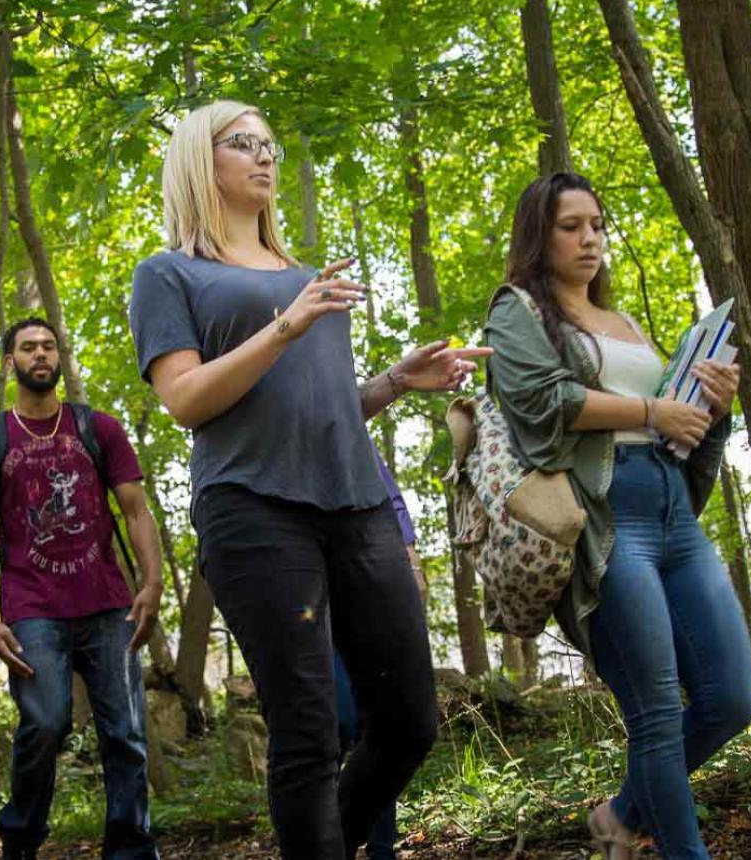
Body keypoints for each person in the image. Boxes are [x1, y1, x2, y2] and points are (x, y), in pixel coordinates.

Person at [128, 99, 490, 858]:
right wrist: (284, 325)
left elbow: (318, 404)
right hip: (253, 510)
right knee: (309, 730)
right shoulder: (170, 274)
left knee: (408, 720)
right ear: (201, 159)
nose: (264, 156)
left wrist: (393, 381)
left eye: (269, 144)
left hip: (357, 505)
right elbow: (186, 399)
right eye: (242, 144)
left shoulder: (303, 273)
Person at [484, 172, 751, 859]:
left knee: (730, 698)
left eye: (597, 225)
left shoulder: (626, 322)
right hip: (606, 518)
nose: (589, 239)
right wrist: (647, 409)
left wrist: (712, 410)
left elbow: (678, 428)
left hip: (673, 512)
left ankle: (622, 815)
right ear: (538, 235)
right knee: (657, 713)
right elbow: (543, 402)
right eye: (570, 226)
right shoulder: (517, 309)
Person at [0, 317, 164, 860]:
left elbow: (136, 510)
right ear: (11, 362)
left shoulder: (99, 429)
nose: (40, 354)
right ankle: (21, 839)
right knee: (46, 724)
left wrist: (152, 582)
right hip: (32, 611)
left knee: (127, 735)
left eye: (48, 346)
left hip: (109, 606)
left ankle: (131, 851)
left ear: (59, 357)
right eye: (28, 347)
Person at [334, 452, 423, 860]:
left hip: (365, 576)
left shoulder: (347, 425)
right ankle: (332, 842)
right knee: (338, 722)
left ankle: (382, 850)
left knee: (385, 723)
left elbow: (389, 495)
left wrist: (412, 561)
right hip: (304, 588)